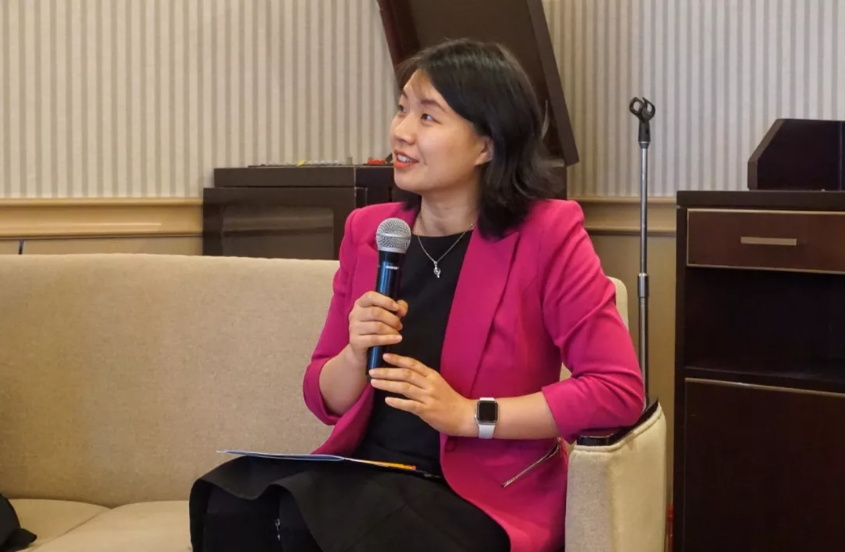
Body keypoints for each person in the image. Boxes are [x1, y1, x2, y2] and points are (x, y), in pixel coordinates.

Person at [189, 38, 644, 552]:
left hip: (478, 495)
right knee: (229, 500)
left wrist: (470, 414)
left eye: (428, 117)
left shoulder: (547, 233)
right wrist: (354, 354)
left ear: (487, 145)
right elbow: (323, 397)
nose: (401, 131)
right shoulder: (372, 231)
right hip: (370, 470)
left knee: (308, 524)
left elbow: (616, 390)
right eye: (402, 109)